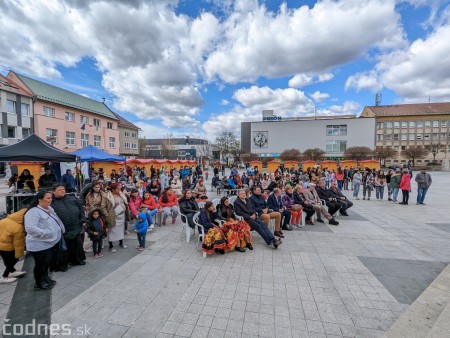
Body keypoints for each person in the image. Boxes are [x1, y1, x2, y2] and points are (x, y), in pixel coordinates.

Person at [24, 191, 64, 290]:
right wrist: (48, 233)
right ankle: (39, 283)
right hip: (39, 244)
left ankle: (46, 278)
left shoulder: (49, 208)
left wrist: (61, 229)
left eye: (51, 198)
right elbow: (30, 228)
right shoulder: (33, 212)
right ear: (40, 199)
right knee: (40, 264)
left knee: (46, 263)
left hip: (50, 243)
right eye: (48, 198)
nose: (50, 200)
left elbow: (56, 220)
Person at [51, 184, 86, 268]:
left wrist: (83, 219)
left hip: (75, 226)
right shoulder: (51, 202)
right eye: (59, 190)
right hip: (63, 229)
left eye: (63, 189)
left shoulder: (72, 198)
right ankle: (63, 264)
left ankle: (77, 260)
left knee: (76, 245)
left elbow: (81, 207)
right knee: (64, 247)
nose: (62, 191)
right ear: (53, 192)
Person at [0, 209, 26, 283]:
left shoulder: (5, 220)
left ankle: (13, 271)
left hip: (1, 244)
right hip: (7, 246)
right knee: (14, 259)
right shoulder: (19, 227)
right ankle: (4, 276)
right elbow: (18, 245)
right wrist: (19, 255)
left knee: (6, 260)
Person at [106, 183, 130, 252]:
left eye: (120, 188)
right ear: (113, 189)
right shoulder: (108, 196)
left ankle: (121, 243)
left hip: (122, 215)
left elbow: (126, 202)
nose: (119, 190)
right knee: (112, 230)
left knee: (121, 230)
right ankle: (111, 246)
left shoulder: (121, 194)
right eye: (117, 189)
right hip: (114, 216)